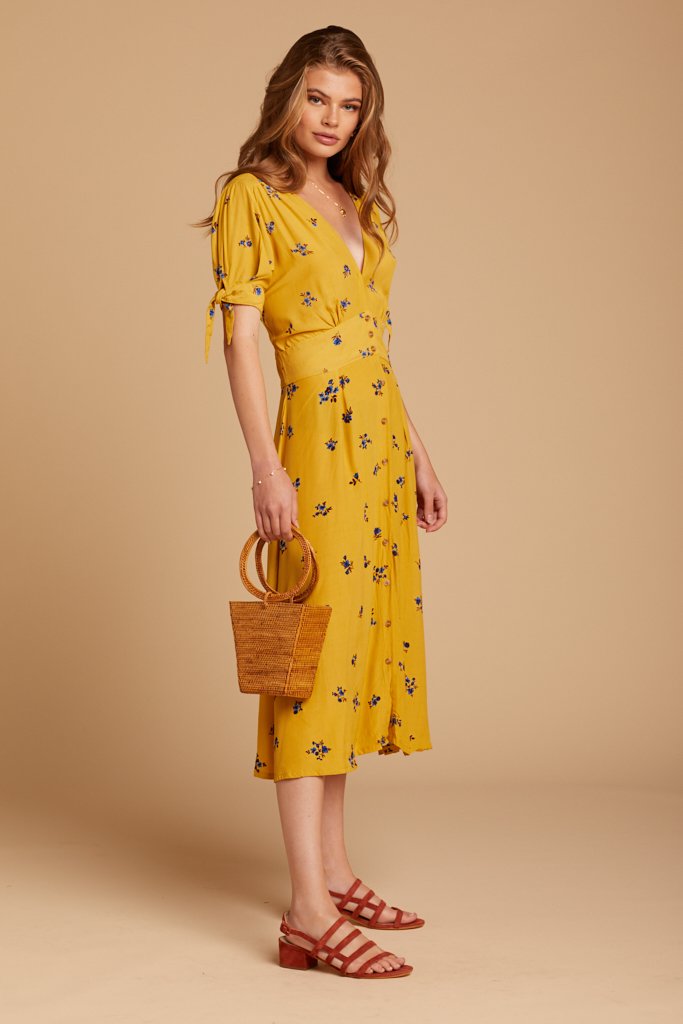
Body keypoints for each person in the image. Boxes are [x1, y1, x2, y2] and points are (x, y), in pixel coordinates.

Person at [197, 25, 447, 979]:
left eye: (349, 105)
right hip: (315, 443)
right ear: (286, 99)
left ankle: (334, 873)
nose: (332, 119)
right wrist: (265, 468)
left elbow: (375, 344)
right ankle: (306, 912)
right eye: (317, 99)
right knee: (309, 663)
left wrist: (419, 454)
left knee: (346, 658)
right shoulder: (251, 197)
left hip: (379, 448)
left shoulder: (355, 201)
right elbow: (241, 340)